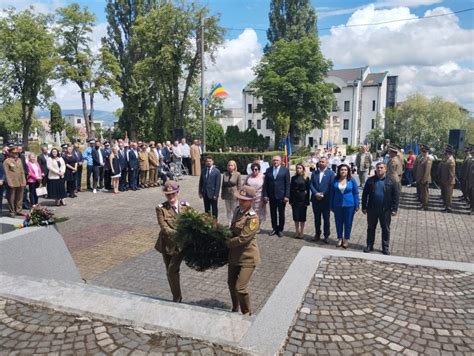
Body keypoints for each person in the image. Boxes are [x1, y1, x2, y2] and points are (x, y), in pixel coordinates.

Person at [227, 185, 260, 315]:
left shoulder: (253, 218)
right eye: (239, 199)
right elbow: (232, 229)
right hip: (234, 255)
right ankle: (235, 307)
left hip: (248, 257)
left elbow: (243, 238)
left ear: (251, 201)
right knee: (231, 283)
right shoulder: (237, 210)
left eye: (244, 200)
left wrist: (226, 243)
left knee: (240, 288)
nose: (240, 202)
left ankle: (247, 313)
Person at [155, 180, 190, 303]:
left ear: (178, 193)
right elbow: (164, 227)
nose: (170, 197)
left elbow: (192, 222)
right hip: (167, 244)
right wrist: (178, 233)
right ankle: (176, 295)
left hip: (180, 245)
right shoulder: (160, 208)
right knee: (169, 271)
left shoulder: (185, 206)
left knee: (172, 269)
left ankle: (177, 298)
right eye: (168, 195)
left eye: (173, 194)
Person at [362, 162, 399, 255]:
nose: (379, 169)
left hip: (385, 210)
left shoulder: (391, 181)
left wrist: (395, 209)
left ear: (385, 169)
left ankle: (385, 247)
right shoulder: (370, 180)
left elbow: (396, 196)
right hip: (372, 209)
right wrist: (364, 206)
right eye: (378, 168)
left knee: (385, 229)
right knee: (371, 228)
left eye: (381, 168)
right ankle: (369, 245)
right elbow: (365, 194)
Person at [330, 163, 359, 248]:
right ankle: (339, 238)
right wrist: (331, 205)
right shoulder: (335, 180)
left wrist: (357, 204)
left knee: (348, 223)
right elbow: (332, 193)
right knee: (338, 222)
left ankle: (346, 239)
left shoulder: (352, 180)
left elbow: (356, 193)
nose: (343, 171)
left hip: (349, 205)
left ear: (348, 171)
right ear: (339, 171)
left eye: (345, 170)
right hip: (337, 204)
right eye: (341, 170)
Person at [262, 155, 290, 237]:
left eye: (277, 160)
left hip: (281, 196)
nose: (275, 162)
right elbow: (265, 184)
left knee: (281, 213)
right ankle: (274, 228)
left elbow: (287, 184)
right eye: (274, 160)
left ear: (280, 161)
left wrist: (287, 196)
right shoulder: (268, 170)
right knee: (273, 213)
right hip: (272, 196)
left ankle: (280, 229)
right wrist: (265, 195)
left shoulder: (285, 170)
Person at [309, 156, 335, 243]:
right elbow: (311, 184)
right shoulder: (314, 173)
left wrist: (322, 194)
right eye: (320, 162)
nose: (321, 163)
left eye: (323, 162)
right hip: (315, 199)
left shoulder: (331, 173)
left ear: (327, 163)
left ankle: (326, 235)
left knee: (326, 219)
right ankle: (317, 234)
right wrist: (316, 193)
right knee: (317, 218)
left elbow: (331, 186)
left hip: (326, 200)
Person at [3, 147, 27, 217]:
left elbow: (22, 171)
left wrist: (24, 180)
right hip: (12, 182)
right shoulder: (7, 161)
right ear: (10, 153)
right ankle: (12, 211)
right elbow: (6, 173)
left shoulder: (19, 160)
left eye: (17, 153)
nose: (16, 154)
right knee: (11, 198)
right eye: (14, 153)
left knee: (20, 197)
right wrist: (9, 182)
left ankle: (19, 210)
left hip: (20, 181)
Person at [290, 163, 310, 239]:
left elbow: (308, 191)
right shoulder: (293, 178)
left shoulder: (306, 178)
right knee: (295, 216)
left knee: (302, 216)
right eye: (297, 168)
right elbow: (291, 189)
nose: (298, 169)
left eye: (300, 168)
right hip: (295, 198)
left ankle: (302, 231)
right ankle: (296, 231)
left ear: (303, 169)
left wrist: (307, 201)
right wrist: (291, 200)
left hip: (303, 199)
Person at [221, 160, 242, 225]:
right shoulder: (225, 174)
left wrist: (239, 195)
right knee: (228, 210)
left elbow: (239, 185)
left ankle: (235, 223)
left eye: (231, 165)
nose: (230, 167)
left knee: (234, 210)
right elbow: (223, 185)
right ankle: (229, 223)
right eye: (229, 165)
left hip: (234, 194)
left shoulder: (238, 174)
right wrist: (222, 194)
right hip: (226, 194)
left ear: (234, 166)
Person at [438, 145, 456, 212]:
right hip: (445, 180)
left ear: (449, 153)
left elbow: (451, 174)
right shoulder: (448, 159)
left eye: (446, 154)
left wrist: (449, 182)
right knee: (446, 195)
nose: (445, 155)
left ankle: (449, 208)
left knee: (448, 196)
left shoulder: (451, 161)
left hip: (449, 182)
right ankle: (446, 207)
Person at [418, 144, 432, 210]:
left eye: (422, 151)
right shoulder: (423, 158)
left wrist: (424, 179)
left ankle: (425, 206)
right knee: (423, 193)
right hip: (422, 178)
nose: (421, 152)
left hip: (425, 179)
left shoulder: (428, 159)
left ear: (425, 152)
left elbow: (427, 171)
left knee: (425, 193)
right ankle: (423, 204)